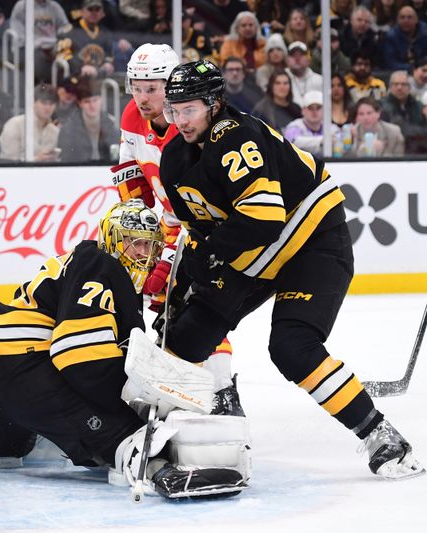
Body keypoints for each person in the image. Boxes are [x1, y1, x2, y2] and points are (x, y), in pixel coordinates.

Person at [0, 199, 251, 499]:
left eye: (149, 247)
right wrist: (131, 411)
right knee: (124, 434)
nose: (143, 255)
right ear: (112, 239)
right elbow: (77, 356)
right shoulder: (102, 265)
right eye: (134, 244)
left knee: (11, 446)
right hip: (21, 374)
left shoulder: (83, 265)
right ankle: (157, 467)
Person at [158, 59, 424, 480]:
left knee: (292, 347)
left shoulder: (238, 136)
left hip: (311, 242)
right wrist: (190, 275)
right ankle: (139, 430)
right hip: (253, 254)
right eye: (173, 110)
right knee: (181, 338)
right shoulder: (173, 159)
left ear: (214, 103)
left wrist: (209, 255)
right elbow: (201, 230)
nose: (179, 120)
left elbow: (263, 218)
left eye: (188, 109)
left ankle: (381, 435)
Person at [113, 43, 240, 406]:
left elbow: (198, 210)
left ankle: (223, 391)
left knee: (200, 307)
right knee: (163, 306)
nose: (142, 96)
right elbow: (132, 178)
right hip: (170, 225)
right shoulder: (131, 118)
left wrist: (170, 255)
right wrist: (141, 231)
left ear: (171, 86)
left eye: (151, 87)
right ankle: (174, 382)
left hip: (206, 228)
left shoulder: (192, 129)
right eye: (136, 87)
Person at [57, 76, 119, 163]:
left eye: (95, 100)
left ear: (101, 100)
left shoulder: (110, 124)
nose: (92, 106)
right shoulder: (68, 129)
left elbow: (116, 155)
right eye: (87, 101)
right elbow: (66, 160)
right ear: (80, 103)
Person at [0, 83, 60, 162]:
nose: (47, 107)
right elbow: (7, 161)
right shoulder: (15, 124)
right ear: (33, 102)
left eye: (51, 104)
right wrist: (36, 160)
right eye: (43, 103)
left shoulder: (55, 131)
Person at [55, 0, 115, 79]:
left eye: (97, 9)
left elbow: (109, 56)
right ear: (82, 12)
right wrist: (80, 67)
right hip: (74, 78)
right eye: (90, 9)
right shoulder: (70, 32)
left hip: (99, 78)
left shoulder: (105, 34)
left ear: (102, 13)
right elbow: (62, 54)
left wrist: (108, 64)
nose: (94, 13)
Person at [283, 90, 335, 157]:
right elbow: (292, 141)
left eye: (318, 108)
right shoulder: (294, 126)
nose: (314, 111)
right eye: (310, 108)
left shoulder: (331, 128)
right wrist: (321, 141)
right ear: (303, 110)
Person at [381, 4, 427, 72]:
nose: (406, 20)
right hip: (399, 72)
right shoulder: (391, 37)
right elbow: (390, 63)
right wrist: (412, 67)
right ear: (397, 20)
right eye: (402, 17)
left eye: (409, 17)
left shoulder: (425, 32)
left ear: (417, 19)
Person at [284, 41, 322, 108]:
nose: (297, 58)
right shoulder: (281, 79)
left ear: (309, 59)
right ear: (287, 60)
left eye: (301, 55)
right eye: (293, 55)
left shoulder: (320, 80)